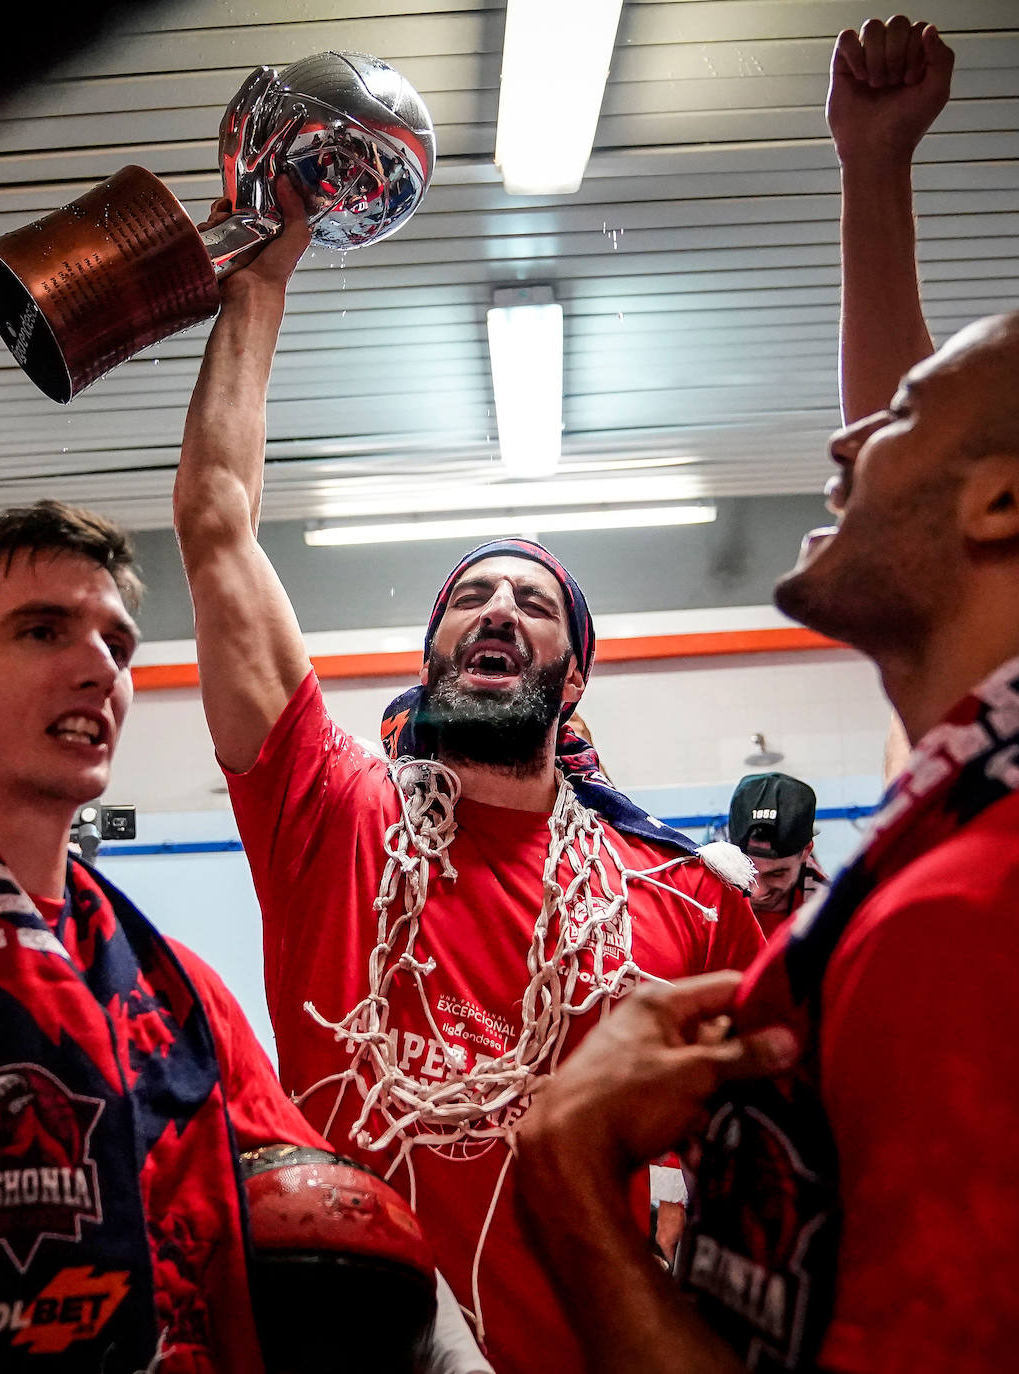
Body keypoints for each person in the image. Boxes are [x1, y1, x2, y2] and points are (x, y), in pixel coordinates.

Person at [172, 184, 766, 1374]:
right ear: (432, 653)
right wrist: (259, 287)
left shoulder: (686, 897)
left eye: (532, 604)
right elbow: (217, 523)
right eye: (470, 600)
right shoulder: (331, 816)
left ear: (572, 679)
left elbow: (773, 1183)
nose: (497, 610)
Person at [515, 18, 1019, 1374]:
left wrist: (564, 1167)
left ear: (999, 504)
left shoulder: (975, 918)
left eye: (894, 418)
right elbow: (950, 474)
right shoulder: (966, 814)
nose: (845, 444)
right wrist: (874, 176)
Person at [0, 499, 459, 1374]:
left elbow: (312, 1204)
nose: (97, 669)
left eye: (117, 644)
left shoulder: (176, 991)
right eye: (42, 631)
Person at [727, 772, 828, 935]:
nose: (757, 892)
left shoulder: (830, 912)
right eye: (745, 870)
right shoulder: (701, 896)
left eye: (777, 874)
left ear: (806, 852)